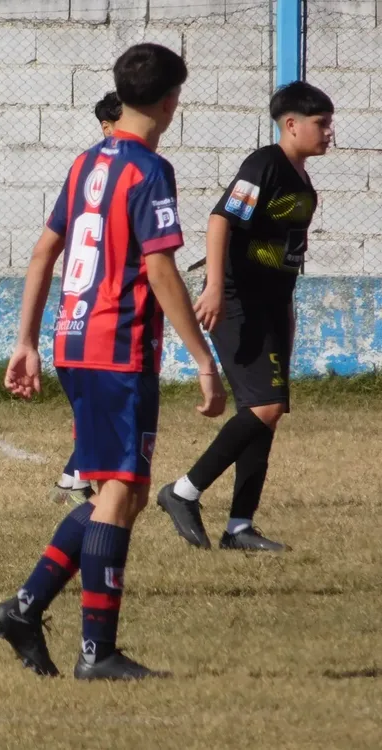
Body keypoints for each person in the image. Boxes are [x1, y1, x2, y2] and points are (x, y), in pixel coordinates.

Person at [0, 43, 227, 681]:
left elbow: (44, 252)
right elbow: (159, 268)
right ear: (171, 99)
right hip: (117, 347)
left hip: (74, 340)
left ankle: (24, 608)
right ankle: (97, 652)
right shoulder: (150, 170)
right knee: (119, 493)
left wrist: (28, 339)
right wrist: (203, 359)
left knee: (121, 493)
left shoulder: (86, 162)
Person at [157, 81, 333, 552]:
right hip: (239, 302)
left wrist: (286, 309)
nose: (329, 132)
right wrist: (215, 286)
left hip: (274, 304)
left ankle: (239, 527)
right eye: (321, 123)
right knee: (266, 406)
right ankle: (182, 491)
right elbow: (221, 221)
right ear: (291, 124)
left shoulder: (297, 173)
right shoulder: (265, 164)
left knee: (263, 414)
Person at [52, 90, 127, 507]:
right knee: (111, 421)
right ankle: (76, 481)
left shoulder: (82, 167)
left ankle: (72, 478)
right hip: (102, 314)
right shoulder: (130, 169)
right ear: (106, 126)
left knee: (95, 411)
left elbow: (47, 247)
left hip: (73, 314)